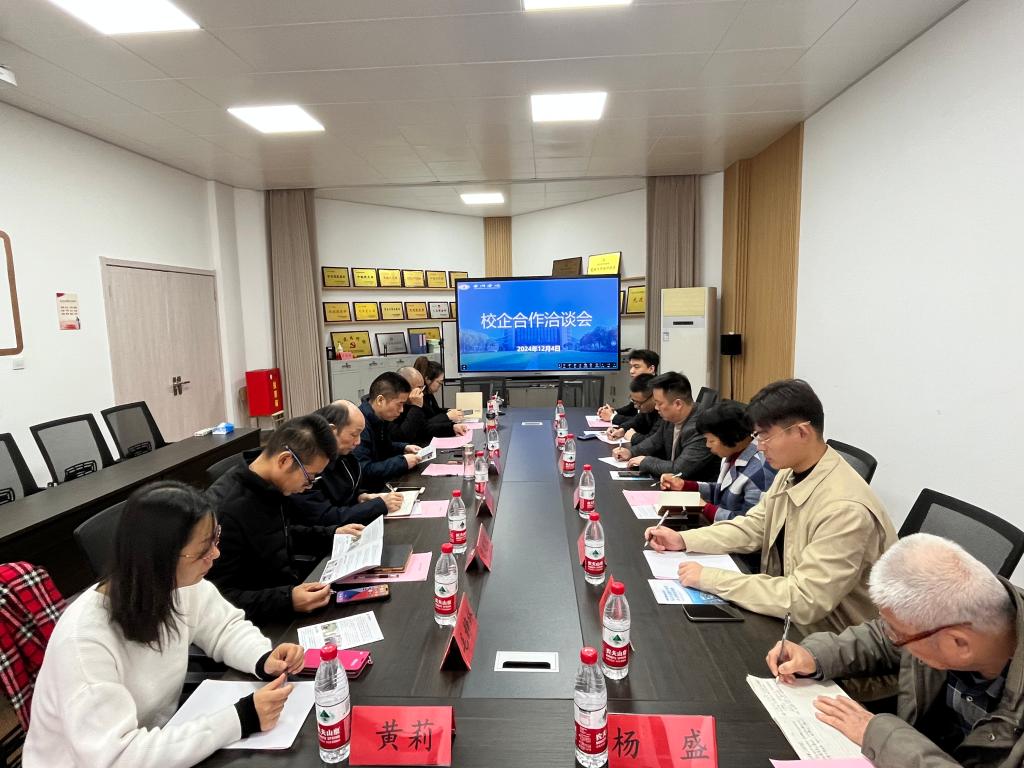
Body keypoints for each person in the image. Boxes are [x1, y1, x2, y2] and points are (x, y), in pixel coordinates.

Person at [25, 481, 306, 767]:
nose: (216, 554)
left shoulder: (176, 583)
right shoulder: (84, 642)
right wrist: (240, 718)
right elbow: (116, 757)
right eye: (203, 550)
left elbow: (224, 628)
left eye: (215, 539)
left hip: (162, 735)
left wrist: (263, 657)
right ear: (159, 557)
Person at [645, 379, 897, 638]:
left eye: (765, 435)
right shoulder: (791, 471)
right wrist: (683, 540)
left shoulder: (845, 509)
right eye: (758, 436)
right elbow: (754, 526)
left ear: (802, 432)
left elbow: (804, 600)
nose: (759, 446)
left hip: (831, 641)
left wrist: (710, 579)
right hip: (788, 620)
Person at [766, 534, 1024, 768]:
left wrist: (882, 736)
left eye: (897, 633)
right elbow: (882, 637)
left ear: (959, 644)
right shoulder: (956, 619)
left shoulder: (941, 624)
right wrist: (815, 656)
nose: (890, 636)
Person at [207, 415, 364, 623]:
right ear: (285, 460)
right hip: (258, 623)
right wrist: (288, 600)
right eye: (309, 477)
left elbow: (279, 534)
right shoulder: (224, 512)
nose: (308, 487)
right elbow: (216, 600)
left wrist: (333, 534)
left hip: (287, 593)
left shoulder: (269, 486)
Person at [288, 401, 403, 526]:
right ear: (331, 430)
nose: (358, 442)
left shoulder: (343, 455)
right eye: (354, 434)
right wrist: (378, 505)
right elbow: (323, 516)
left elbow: (346, 491)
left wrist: (360, 496)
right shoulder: (306, 464)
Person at [659, 400, 776, 522]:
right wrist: (685, 485)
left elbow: (748, 524)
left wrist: (704, 507)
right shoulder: (733, 453)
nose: (707, 445)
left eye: (711, 441)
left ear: (731, 436)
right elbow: (722, 491)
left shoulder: (759, 472)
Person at [611, 371, 718, 481]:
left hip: (694, 487)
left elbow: (679, 470)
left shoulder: (700, 427)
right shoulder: (671, 417)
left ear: (678, 404)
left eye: (659, 403)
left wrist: (646, 461)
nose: (656, 408)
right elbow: (654, 441)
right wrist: (631, 452)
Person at [352, 371, 423, 491]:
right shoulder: (360, 425)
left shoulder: (379, 417)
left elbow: (383, 447)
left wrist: (403, 448)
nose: (401, 410)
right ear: (380, 400)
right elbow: (363, 470)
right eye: (399, 404)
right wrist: (402, 462)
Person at [597, 349, 659, 429]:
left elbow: (643, 422)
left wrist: (612, 416)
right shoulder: (642, 385)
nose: (631, 371)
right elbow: (631, 408)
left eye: (636, 367)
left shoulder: (658, 391)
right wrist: (611, 411)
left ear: (651, 369)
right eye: (631, 367)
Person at [413, 356, 469, 438]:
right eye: (439, 383)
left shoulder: (428, 394)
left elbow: (436, 411)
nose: (440, 386)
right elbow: (424, 425)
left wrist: (449, 411)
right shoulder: (417, 399)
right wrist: (447, 416)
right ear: (428, 379)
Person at [613, 373, 660, 446]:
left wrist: (633, 437)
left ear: (653, 397)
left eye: (639, 403)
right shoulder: (646, 410)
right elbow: (635, 421)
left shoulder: (663, 413)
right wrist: (622, 430)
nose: (636, 406)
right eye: (633, 401)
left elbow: (654, 442)